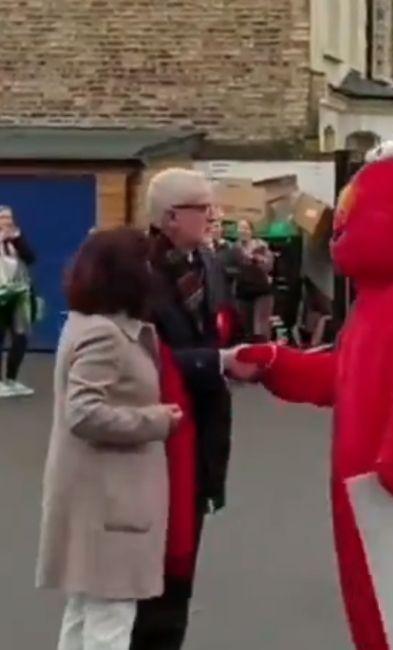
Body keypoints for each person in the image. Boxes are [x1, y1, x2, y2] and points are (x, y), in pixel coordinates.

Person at [235, 158, 393, 650]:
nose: (340, 230)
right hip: (358, 485)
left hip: (388, 485)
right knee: (370, 609)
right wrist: (275, 361)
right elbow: (342, 375)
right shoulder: (371, 304)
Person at [37, 227, 184, 650]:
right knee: (110, 622)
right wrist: (154, 420)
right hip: (109, 501)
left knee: (84, 612)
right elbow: (83, 412)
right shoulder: (106, 335)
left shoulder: (88, 325)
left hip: (95, 499)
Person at [137, 168, 259, 650]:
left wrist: (237, 356)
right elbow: (141, 360)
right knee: (151, 574)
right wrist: (218, 361)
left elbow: (219, 329)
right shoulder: (136, 272)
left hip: (202, 436)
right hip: (154, 439)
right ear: (170, 217)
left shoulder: (208, 263)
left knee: (183, 569)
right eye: (203, 208)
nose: (214, 216)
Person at [0, 205, 37, 397]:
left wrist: (17, 239)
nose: (7, 222)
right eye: (3, 218)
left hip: (18, 295)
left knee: (20, 338)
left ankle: (12, 379)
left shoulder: (16, 240)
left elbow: (31, 258)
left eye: (9, 218)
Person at [230, 220, 275, 342]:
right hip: (243, 291)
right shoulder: (234, 249)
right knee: (246, 329)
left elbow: (269, 266)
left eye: (245, 228)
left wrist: (257, 260)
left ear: (251, 231)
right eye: (240, 228)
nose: (242, 231)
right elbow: (232, 267)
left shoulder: (261, 246)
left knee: (260, 328)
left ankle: (265, 355)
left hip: (261, 290)